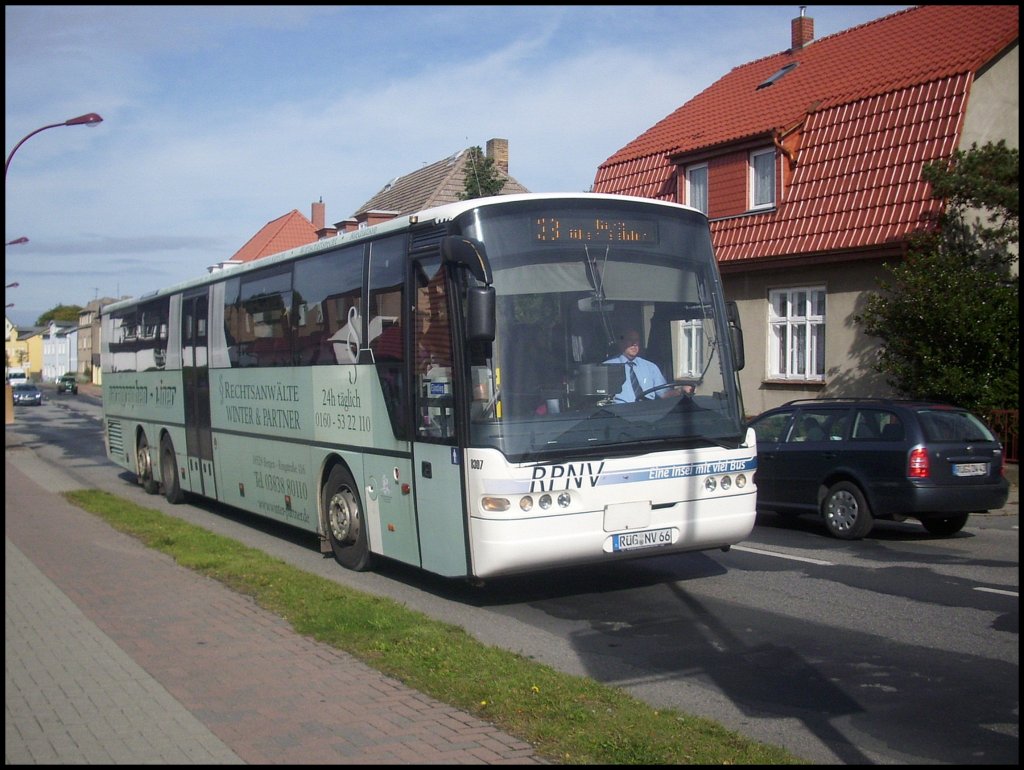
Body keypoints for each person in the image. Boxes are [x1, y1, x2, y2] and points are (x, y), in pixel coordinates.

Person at [603, 330, 672, 402]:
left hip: (648, 410)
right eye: (630, 340)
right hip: (620, 411)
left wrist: (680, 390)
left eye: (636, 340)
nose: (634, 344)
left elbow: (664, 393)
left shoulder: (650, 367)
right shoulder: (606, 367)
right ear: (621, 343)